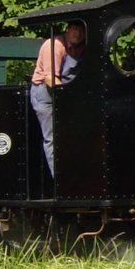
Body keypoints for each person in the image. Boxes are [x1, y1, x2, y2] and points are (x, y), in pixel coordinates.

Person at [30, 20, 85, 178]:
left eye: (81, 30)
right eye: (75, 29)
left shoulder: (83, 48)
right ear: (68, 30)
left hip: (66, 93)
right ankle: (60, 181)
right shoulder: (54, 46)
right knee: (52, 137)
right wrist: (68, 97)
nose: (78, 33)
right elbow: (50, 78)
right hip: (45, 94)